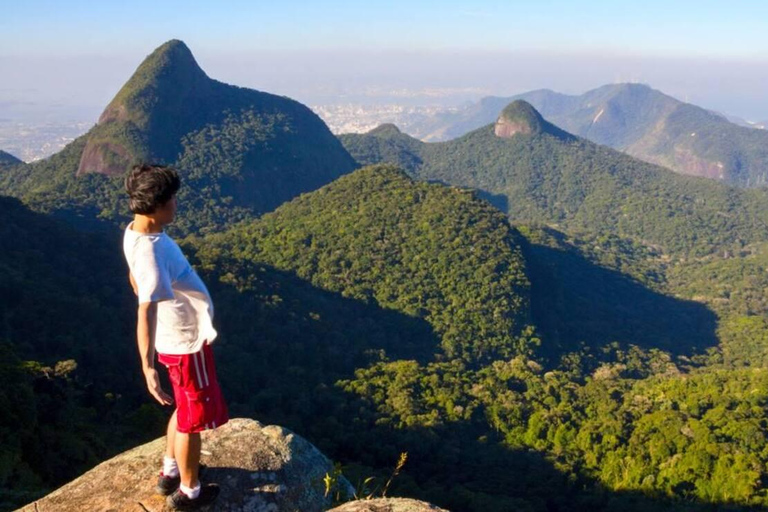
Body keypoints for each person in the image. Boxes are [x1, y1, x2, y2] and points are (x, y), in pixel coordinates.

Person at [123, 163, 228, 510]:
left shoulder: (136, 233)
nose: (177, 204)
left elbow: (135, 282)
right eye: (172, 199)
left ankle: (170, 470)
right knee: (192, 419)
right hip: (184, 345)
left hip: (176, 339)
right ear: (157, 207)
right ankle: (189, 490)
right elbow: (145, 308)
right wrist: (147, 367)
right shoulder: (151, 253)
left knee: (183, 406)